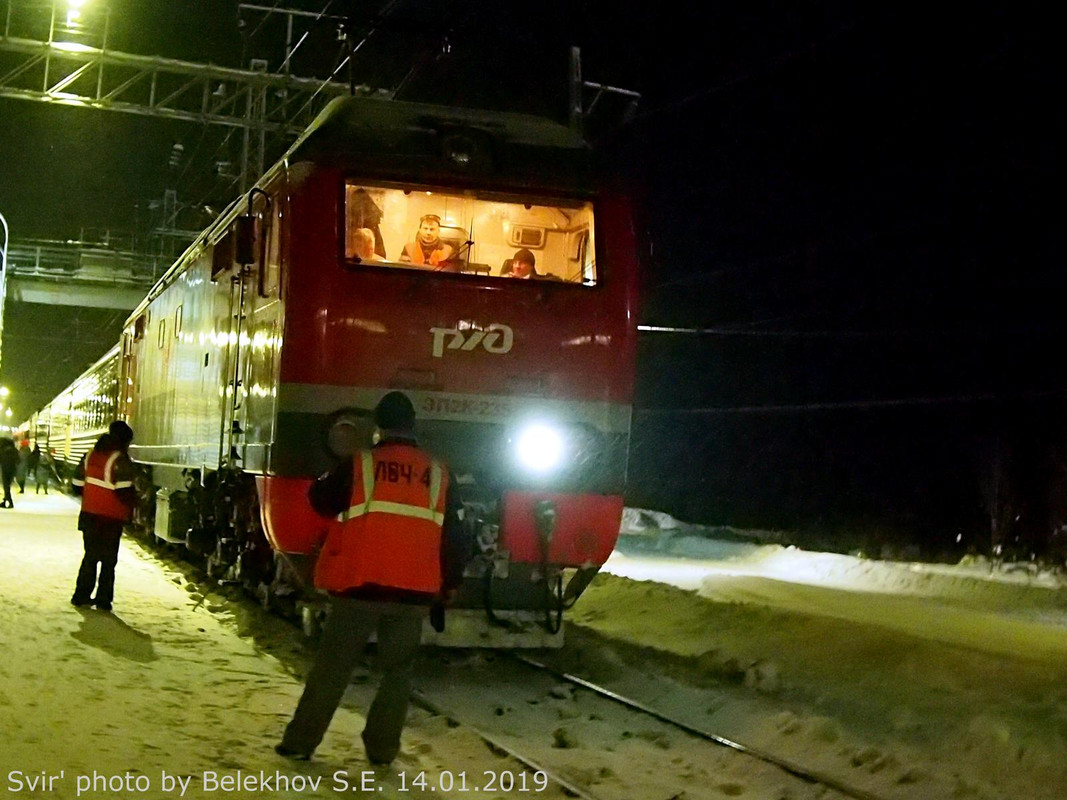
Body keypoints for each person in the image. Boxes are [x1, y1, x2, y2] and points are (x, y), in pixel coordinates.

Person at [276, 391, 468, 765]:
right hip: (412, 593)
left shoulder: (360, 465)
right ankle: (382, 751)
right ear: (414, 427)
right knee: (398, 675)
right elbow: (456, 536)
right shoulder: (440, 473)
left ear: (378, 426)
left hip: (359, 585)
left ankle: (301, 742)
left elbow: (319, 500)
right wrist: (451, 584)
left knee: (333, 668)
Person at [70, 421, 137, 612]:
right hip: (110, 519)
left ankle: (80, 595)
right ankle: (103, 600)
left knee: (90, 556)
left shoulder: (90, 454)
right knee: (108, 561)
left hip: (89, 515)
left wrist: (91, 493)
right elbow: (125, 492)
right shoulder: (120, 459)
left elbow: (76, 483)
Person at [0, 438, 18, 508]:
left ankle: (10, 502)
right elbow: (18, 460)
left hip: (5, 470)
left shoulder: (3, 450)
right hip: (12, 470)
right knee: (7, 487)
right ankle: (5, 501)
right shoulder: (14, 450)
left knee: (6, 487)